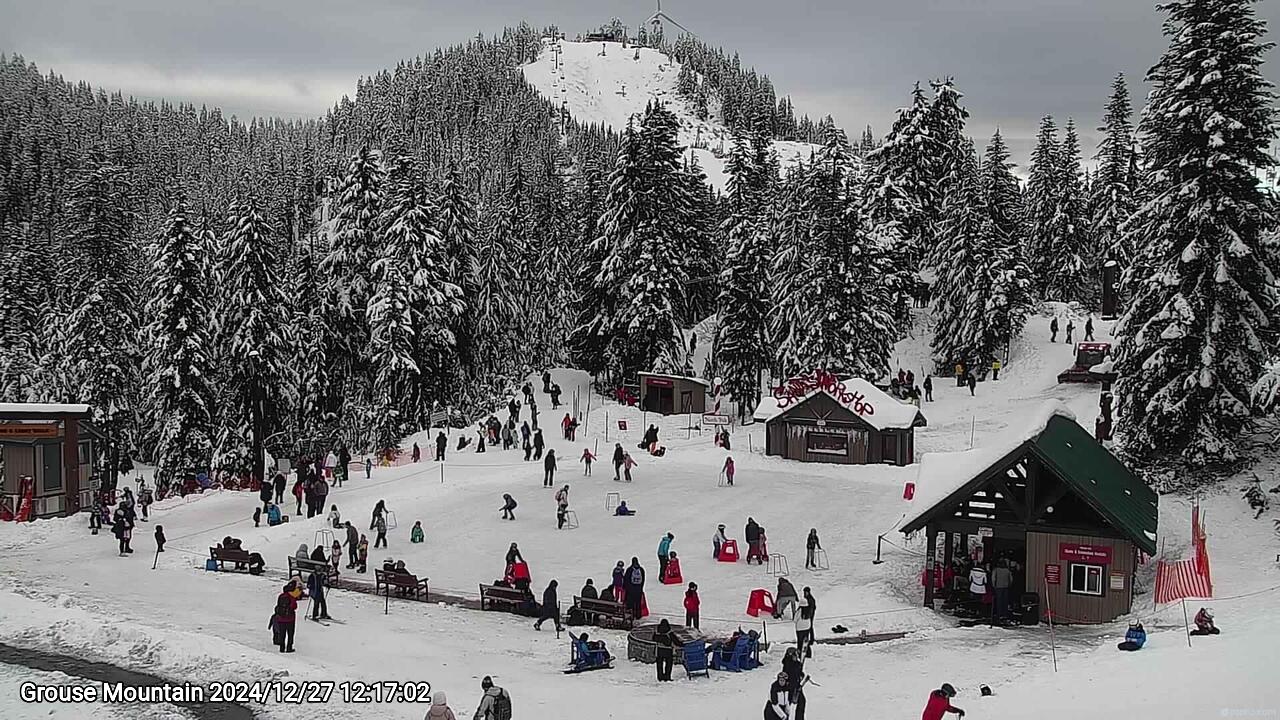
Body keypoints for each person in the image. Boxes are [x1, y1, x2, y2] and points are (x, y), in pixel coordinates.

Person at [272, 581, 300, 653]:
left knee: (282, 634)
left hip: (281, 618)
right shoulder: (291, 597)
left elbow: (278, 605)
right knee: (290, 634)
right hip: (290, 619)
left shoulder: (280, 596)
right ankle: (289, 647)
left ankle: (282, 648)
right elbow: (294, 606)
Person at [782, 647, 808, 720]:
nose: (797, 656)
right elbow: (790, 675)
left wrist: (801, 675)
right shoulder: (788, 664)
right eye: (795, 655)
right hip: (790, 688)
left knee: (801, 702)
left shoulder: (796, 664)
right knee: (787, 705)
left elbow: (799, 673)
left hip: (796, 687)